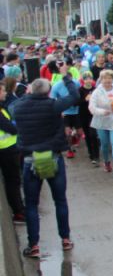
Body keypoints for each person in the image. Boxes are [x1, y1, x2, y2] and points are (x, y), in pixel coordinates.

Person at [10, 66, 78, 259]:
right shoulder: (53, 105)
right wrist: (65, 76)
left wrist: (28, 94)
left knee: (31, 204)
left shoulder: (18, 107)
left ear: (30, 90)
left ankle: (34, 245)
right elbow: (74, 95)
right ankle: (65, 239)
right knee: (60, 201)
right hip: (53, 157)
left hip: (30, 159)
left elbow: (13, 106)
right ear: (48, 92)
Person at [89, 69, 113, 176]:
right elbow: (91, 107)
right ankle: (107, 162)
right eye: (105, 81)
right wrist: (101, 111)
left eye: (109, 80)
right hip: (101, 120)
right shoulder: (97, 92)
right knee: (105, 144)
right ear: (101, 80)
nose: (107, 83)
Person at [0, 83, 25, 224]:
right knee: (13, 182)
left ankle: (19, 209)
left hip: (10, 148)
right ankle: (18, 212)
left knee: (15, 181)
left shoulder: (2, 108)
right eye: (3, 91)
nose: (5, 93)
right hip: (6, 151)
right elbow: (11, 128)